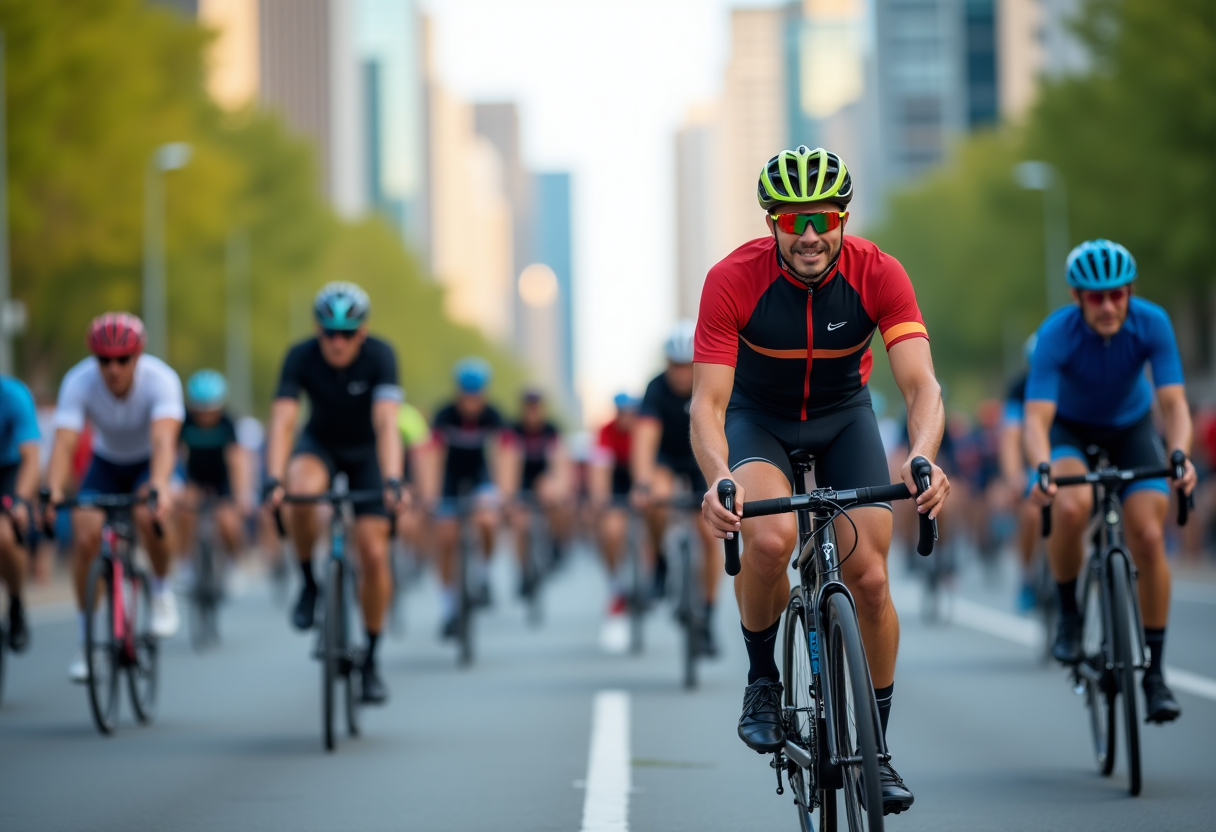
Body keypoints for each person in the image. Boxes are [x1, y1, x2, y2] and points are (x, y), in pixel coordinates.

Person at [694, 146, 949, 815]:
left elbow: (922, 384)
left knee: (869, 578)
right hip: (761, 422)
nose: (810, 234)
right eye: (793, 219)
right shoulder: (732, 279)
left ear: (842, 217)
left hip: (843, 419)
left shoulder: (879, 273)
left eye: (824, 218)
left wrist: (923, 454)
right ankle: (761, 680)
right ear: (772, 222)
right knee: (772, 540)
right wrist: (719, 477)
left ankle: (877, 753)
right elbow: (709, 405)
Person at [1024, 239, 1197, 724]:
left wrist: (1180, 454)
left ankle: (1155, 675)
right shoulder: (1056, 334)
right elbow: (1037, 419)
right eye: (1096, 297)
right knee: (1073, 505)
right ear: (1078, 297)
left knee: (1145, 533)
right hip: (1070, 430)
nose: (1108, 306)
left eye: (1117, 294)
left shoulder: (1153, 322)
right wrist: (1041, 468)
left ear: (1130, 292)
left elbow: (1175, 404)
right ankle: (1070, 616)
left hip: (1131, 427)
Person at [264, 282, 405, 704]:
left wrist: (394, 479)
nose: (337, 342)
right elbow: (283, 420)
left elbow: (386, 423)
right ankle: (308, 581)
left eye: (347, 333)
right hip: (320, 445)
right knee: (300, 490)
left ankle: (373, 659)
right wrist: (273, 478)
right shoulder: (300, 355)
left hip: (367, 453)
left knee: (374, 554)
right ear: (317, 329)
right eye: (329, 333)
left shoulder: (381, 355)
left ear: (362, 332)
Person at [46, 313, 184, 681]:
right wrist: (55, 489)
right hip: (106, 464)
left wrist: (158, 484)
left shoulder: (161, 380)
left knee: (148, 513)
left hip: (148, 462)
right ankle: (86, 642)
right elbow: (64, 443)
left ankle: (161, 591)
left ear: (138, 357)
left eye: (123, 359)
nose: (113, 369)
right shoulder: (78, 381)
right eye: (104, 360)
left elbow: (163, 441)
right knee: (86, 532)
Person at [632, 320, 722, 655]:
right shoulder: (656, 389)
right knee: (655, 494)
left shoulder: (711, 381)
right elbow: (644, 438)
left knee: (711, 534)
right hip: (668, 458)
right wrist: (642, 482)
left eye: (688, 365)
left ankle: (708, 617)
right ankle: (659, 563)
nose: (682, 373)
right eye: (675, 366)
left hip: (703, 458)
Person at [428, 358, 506, 637]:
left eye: (476, 394)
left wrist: (502, 494)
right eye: (466, 394)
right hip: (449, 478)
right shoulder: (444, 415)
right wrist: (431, 496)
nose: (471, 401)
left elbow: (504, 456)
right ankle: (449, 608)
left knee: (487, 520)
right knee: (445, 536)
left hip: (480, 477)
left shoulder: (494, 415)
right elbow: (432, 458)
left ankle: (484, 575)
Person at [174, 370, 247, 585]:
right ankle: (185, 561)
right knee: (186, 509)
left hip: (221, 478)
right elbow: (174, 454)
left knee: (228, 521)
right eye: (201, 409)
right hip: (195, 476)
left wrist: (241, 494)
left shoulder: (227, 422)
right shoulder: (185, 421)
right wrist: (176, 483)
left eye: (211, 409)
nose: (206, 415)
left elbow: (236, 460)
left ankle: (234, 561)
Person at [506, 389, 570, 594]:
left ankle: (555, 544)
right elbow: (504, 462)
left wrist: (561, 488)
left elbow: (560, 463)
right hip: (519, 478)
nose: (533, 413)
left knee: (552, 492)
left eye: (536, 408)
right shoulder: (513, 430)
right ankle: (523, 570)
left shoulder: (551, 430)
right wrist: (509, 496)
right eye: (529, 408)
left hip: (544, 477)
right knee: (520, 523)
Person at [1000, 335, 1044, 612]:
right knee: (1030, 514)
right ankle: (1028, 576)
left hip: (1064, 457)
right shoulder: (1019, 389)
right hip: (1031, 466)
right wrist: (1015, 476)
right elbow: (1011, 438)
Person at [0, 375, 41, 653]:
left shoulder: (13, 395)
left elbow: (31, 458)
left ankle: (15, 601)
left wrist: (21, 501)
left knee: (4, 536)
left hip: (9, 470)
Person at [591, 392, 638, 615]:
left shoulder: (643, 428)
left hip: (639, 477)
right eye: (622, 413)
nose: (626, 418)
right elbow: (600, 468)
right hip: (616, 481)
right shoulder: (606, 431)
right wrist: (600, 495)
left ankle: (654, 570)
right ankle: (615, 583)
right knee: (610, 531)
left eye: (630, 412)